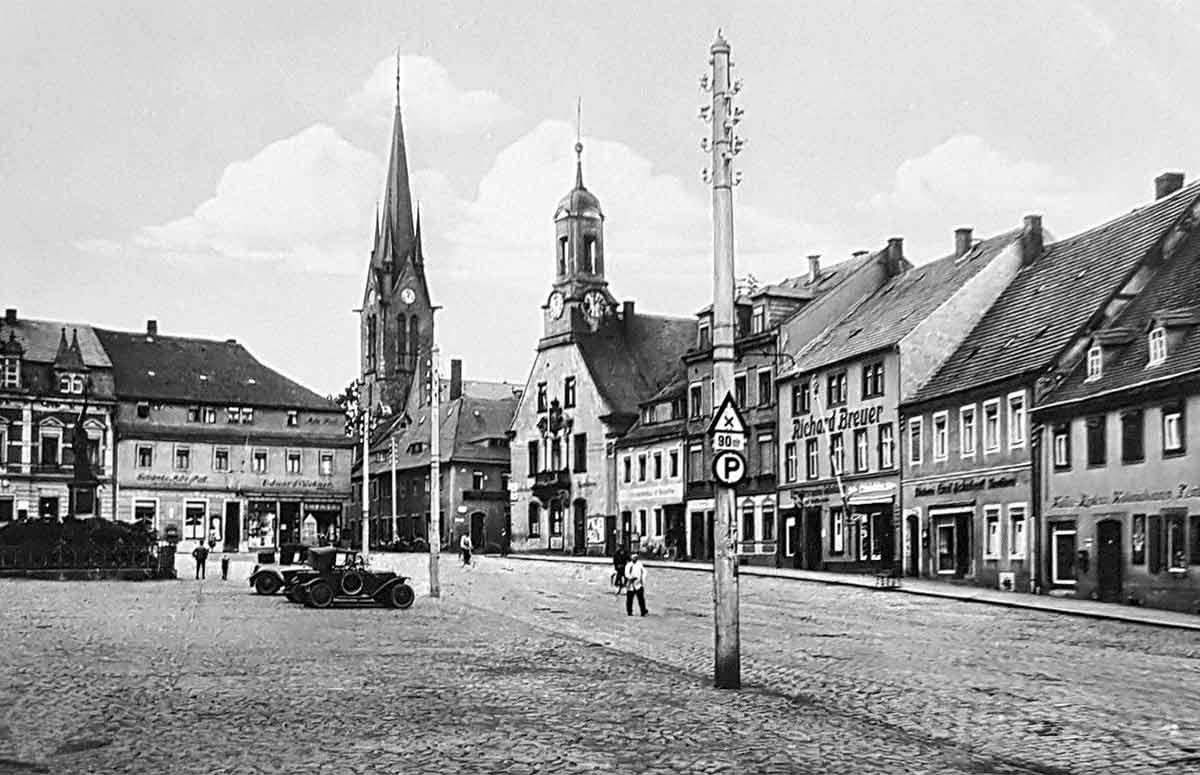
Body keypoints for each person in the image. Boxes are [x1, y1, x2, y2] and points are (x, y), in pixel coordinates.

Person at [624, 552, 648, 616]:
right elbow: (626, 573)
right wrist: (630, 578)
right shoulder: (629, 565)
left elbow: (644, 572)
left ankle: (643, 611)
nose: (635, 559)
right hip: (631, 584)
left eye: (636, 557)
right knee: (629, 599)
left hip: (638, 583)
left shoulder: (639, 564)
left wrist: (642, 580)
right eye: (634, 557)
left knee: (641, 599)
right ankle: (629, 612)